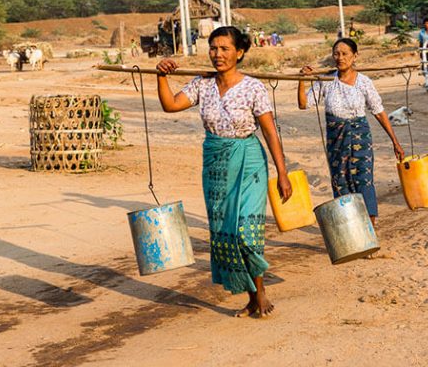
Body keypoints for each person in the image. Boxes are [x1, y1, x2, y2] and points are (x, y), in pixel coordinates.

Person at [155, 26, 292, 318]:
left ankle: (260, 290)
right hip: (216, 163)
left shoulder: (254, 87)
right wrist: (162, 76)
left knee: (246, 231)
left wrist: (282, 172)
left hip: (249, 161)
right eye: (213, 48)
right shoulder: (201, 85)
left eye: (225, 49)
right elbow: (170, 105)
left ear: (239, 53)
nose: (217, 54)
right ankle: (252, 296)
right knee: (225, 232)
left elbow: (269, 131)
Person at [297, 38, 405, 226]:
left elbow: (379, 112)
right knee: (340, 181)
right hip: (336, 140)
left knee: (364, 180)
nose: (340, 58)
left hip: (360, 137)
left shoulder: (364, 82)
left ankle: (370, 231)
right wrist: (302, 80)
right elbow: (303, 104)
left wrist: (394, 141)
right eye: (336, 54)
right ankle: (350, 230)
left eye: (345, 54)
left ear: (355, 56)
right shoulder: (326, 80)